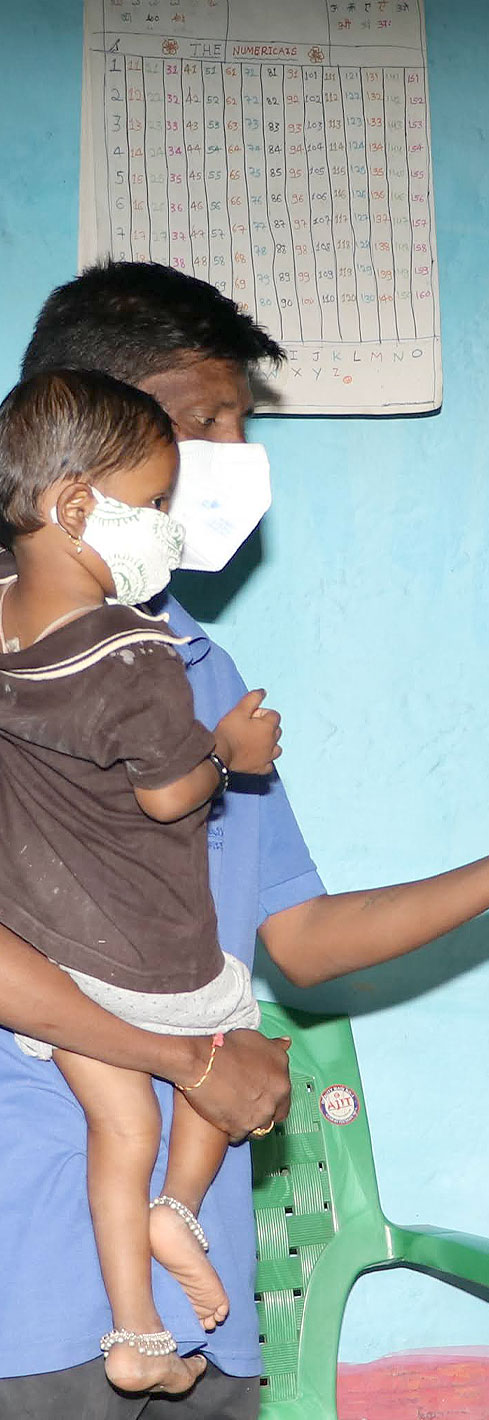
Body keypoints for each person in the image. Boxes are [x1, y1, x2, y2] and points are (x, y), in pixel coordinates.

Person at [0, 261, 489, 1418]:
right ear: (83, 431)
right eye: (202, 419)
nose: (230, 456)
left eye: (240, 425)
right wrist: (191, 1061)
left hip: (202, 1289)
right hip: (30, 1266)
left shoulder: (196, 674)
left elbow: (295, 938)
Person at [0, 369, 288, 1394]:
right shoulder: (138, 650)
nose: (171, 522)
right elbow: (173, 796)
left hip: (66, 981)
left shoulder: (9, 634)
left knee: (120, 1124)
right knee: (233, 1047)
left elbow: (302, 919)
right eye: (157, 497)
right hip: (154, 968)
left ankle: (140, 1333)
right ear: (74, 504)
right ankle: (179, 1210)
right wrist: (235, 754)